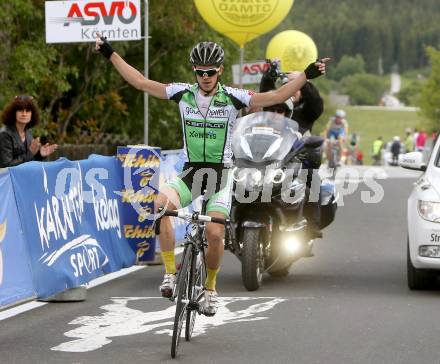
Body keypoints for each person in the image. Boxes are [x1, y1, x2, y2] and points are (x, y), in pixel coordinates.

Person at [95, 36, 328, 315]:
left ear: (219, 70)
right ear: (194, 71)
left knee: (214, 232)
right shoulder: (181, 93)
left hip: (220, 174)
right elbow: (141, 82)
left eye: (211, 71)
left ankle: (210, 289)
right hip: (192, 171)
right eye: (200, 71)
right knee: (159, 208)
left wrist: (306, 74)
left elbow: (277, 97)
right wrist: (109, 53)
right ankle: (170, 274)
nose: (205, 77)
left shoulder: (233, 97)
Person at [258, 61, 324, 242]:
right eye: (288, 86)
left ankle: (312, 224)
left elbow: (316, 103)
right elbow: (265, 95)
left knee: (311, 177)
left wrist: (306, 80)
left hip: (296, 159)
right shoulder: (273, 107)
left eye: (296, 87)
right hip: (267, 159)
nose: (292, 90)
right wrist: (269, 75)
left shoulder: (306, 111)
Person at [0, 96, 58, 168]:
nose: (24, 114)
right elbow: (6, 166)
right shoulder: (5, 134)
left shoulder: (28, 132)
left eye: (27, 111)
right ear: (13, 113)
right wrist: (30, 152)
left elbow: (29, 161)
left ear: (32, 114)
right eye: (20, 110)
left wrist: (40, 155)